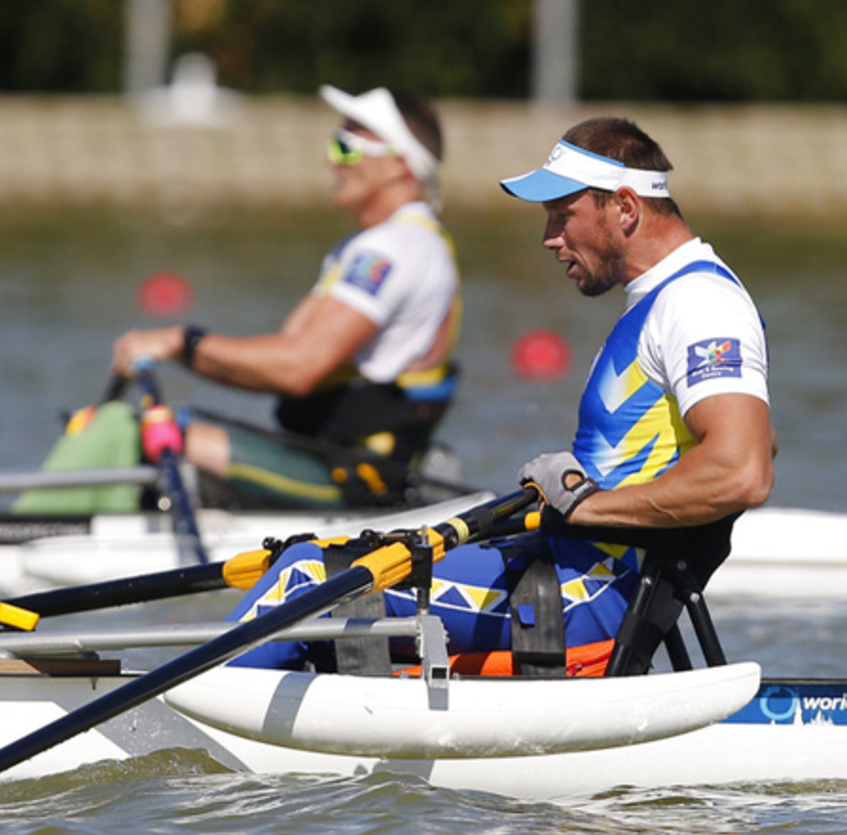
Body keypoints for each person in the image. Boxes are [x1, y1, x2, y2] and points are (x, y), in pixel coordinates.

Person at [227, 115, 776, 674]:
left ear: (626, 209)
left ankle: (180, 724)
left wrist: (588, 506)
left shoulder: (700, 303)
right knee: (343, 560)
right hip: (567, 567)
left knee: (307, 577)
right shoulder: (660, 301)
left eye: (564, 216)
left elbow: (742, 470)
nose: (549, 239)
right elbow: (754, 442)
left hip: (586, 594)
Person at [110, 85, 462, 510]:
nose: (331, 159)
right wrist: (182, 352)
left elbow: (297, 369)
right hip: (327, 455)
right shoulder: (383, 245)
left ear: (398, 164)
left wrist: (179, 343)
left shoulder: (393, 249)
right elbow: (278, 362)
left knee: (125, 435)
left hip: (353, 475)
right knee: (151, 429)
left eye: (346, 148)